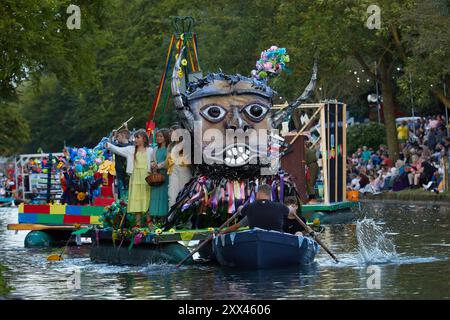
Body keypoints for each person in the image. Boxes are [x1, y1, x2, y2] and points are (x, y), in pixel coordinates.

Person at [106, 129, 153, 228]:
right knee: (136, 199)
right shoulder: (131, 149)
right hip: (135, 177)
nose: (135, 139)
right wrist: (109, 145)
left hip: (146, 178)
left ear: (144, 139)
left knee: (147, 199)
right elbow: (118, 150)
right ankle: (138, 223)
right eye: (135, 137)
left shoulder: (150, 150)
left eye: (137, 137)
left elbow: (154, 162)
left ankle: (149, 221)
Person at [221, 184, 289, 234]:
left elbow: (236, 226)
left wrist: (222, 232)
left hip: (256, 237)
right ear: (269, 195)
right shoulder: (281, 207)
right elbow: (290, 212)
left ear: (258, 193)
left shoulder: (249, 208)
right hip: (276, 240)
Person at [167, 124, 192, 208]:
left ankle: (183, 217)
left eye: (172, 131)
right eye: (170, 131)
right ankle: (171, 217)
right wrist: (158, 166)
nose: (170, 133)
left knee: (184, 194)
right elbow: (166, 161)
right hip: (173, 170)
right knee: (172, 194)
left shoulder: (187, 143)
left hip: (184, 169)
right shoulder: (170, 146)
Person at [148, 129, 171, 224]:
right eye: (157, 136)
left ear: (165, 137)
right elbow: (152, 160)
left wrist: (160, 165)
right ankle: (155, 217)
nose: (158, 138)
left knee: (164, 195)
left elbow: (168, 161)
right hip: (156, 175)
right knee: (155, 195)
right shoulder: (155, 149)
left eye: (161, 136)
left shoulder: (169, 148)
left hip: (165, 175)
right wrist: (153, 164)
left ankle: (163, 218)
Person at [111, 127, 132, 200]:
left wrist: (114, 135)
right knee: (122, 196)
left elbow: (111, 145)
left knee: (127, 195)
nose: (117, 138)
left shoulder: (131, 146)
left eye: (118, 136)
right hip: (120, 174)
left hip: (127, 175)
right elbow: (109, 146)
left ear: (123, 136)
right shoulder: (130, 145)